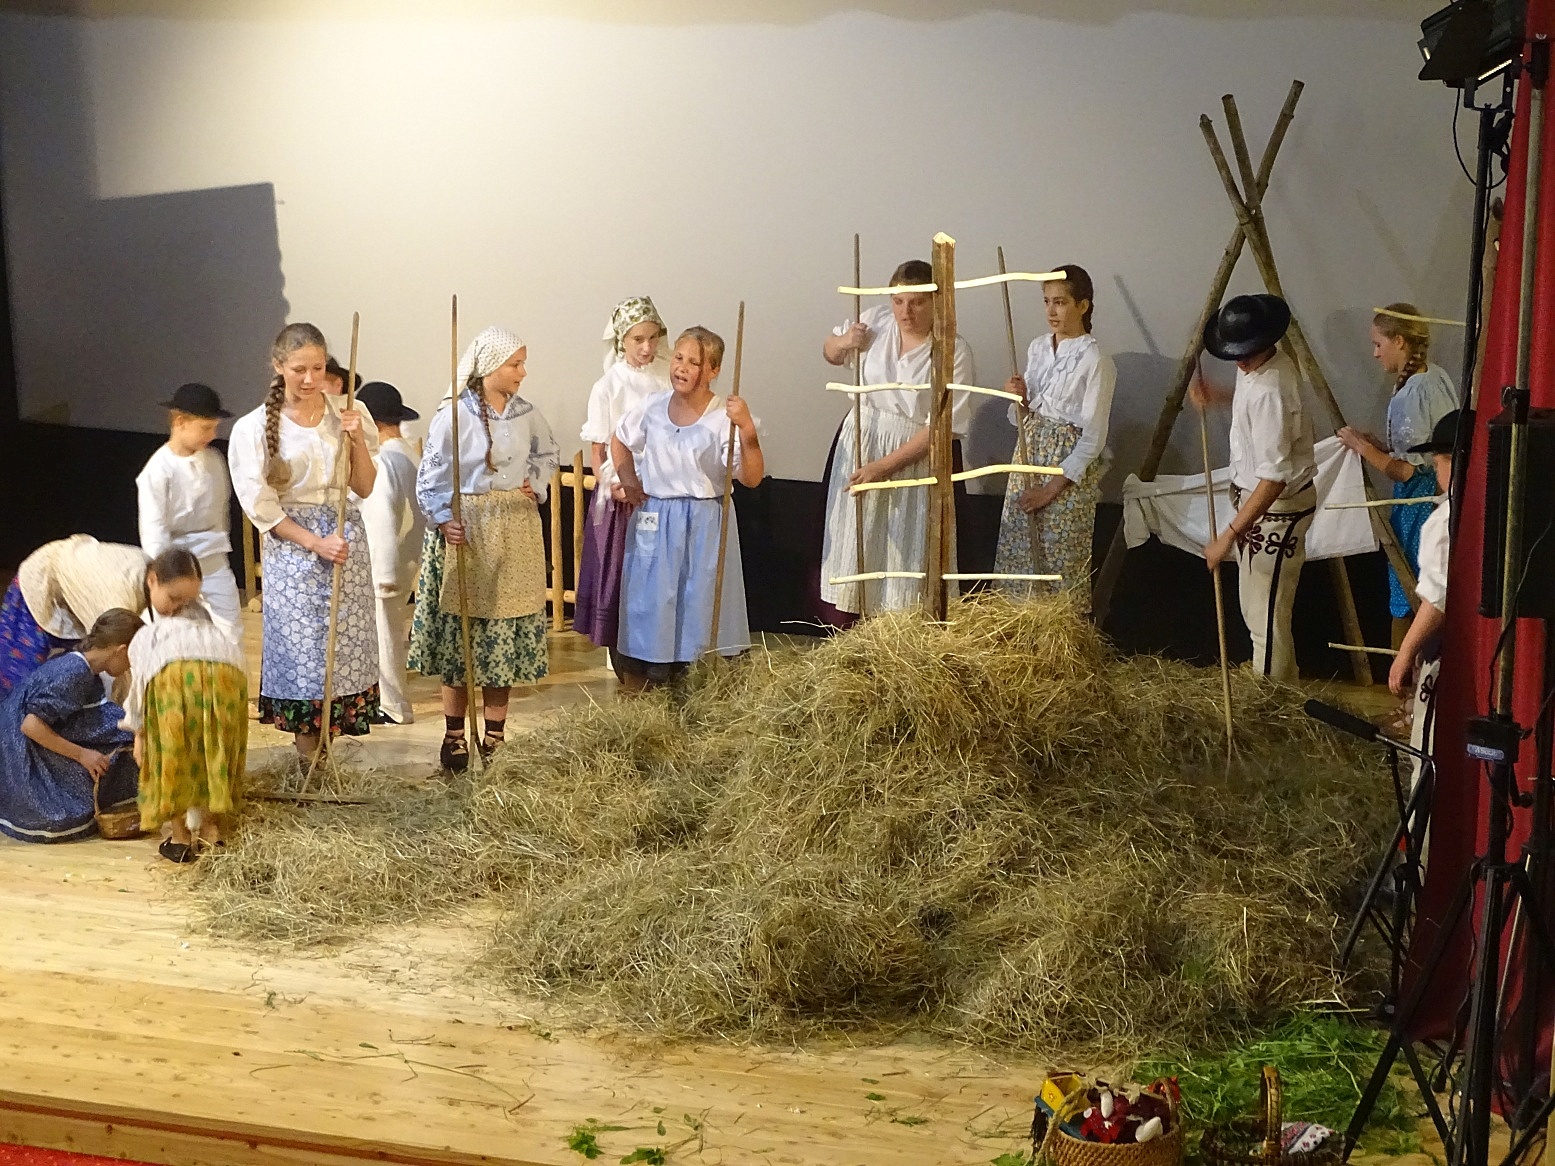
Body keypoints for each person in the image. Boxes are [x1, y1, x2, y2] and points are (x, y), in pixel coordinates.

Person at [228, 322, 380, 757]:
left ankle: (326, 755)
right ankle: (309, 761)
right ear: (278, 366)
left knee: (343, 650)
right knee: (306, 655)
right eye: (299, 369)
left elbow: (364, 486)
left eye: (318, 368)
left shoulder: (349, 412)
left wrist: (357, 440)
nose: (310, 379)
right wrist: (315, 543)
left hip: (345, 541)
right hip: (295, 551)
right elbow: (262, 508)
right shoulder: (254, 428)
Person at [410, 326, 558, 771]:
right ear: (490, 367)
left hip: (514, 528)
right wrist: (443, 518)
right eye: (515, 364)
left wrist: (536, 482)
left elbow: (547, 453)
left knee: (502, 636)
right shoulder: (455, 416)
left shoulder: (527, 413)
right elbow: (431, 475)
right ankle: (455, 735)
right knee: (463, 637)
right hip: (469, 529)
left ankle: (495, 735)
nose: (522, 373)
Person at [818, 260, 974, 619]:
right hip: (863, 438)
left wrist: (884, 468)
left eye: (917, 302)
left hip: (911, 456)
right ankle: (854, 630)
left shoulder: (953, 350)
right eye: (899, 301)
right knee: (858, 538)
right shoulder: (875, 321)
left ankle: (899, 632)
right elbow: (830, 351)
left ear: (936, 302)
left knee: (903, 547)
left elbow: (941, 428)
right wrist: (844, 342)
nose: (906, 312)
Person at [611, 326, 763, 691]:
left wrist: (747, 431)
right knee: (652, 604)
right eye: (678, 358)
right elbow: (620, 439)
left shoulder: (722, 417)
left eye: (693, 362)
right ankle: (649, 683)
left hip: (703, 523)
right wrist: (630, 482)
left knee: (699, 604)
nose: (681, 367)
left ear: (713, 370)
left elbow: (752, 478)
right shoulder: (653, 407)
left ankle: (696, 685)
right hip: (657, 519)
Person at [1193, 294, 1317, 683]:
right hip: (1258, 505)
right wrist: (1220, 396)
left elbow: (1274, 477)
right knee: (1257, 609)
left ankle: (1270, 697)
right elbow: (1256, 410)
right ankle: (1280, 684)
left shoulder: (1271, 389)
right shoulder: (1260, 369)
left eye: (1246, 351)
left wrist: (1228, 535)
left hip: (1277, 510)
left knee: (1267, 614)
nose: (1240, 360)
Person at [992, 264, 1116, 610]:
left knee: (1056, 556)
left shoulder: (1096, 360)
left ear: (1082, 305)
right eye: (1046, 301)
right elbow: (1022, 418)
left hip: (1064, 470)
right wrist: (1018, 398)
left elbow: (1093, 437)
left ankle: (1053, 636)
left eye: (1060, 302)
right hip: (1029, 455)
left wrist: (1051, 488)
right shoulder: (1038, 348)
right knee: (1019, 548)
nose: (1051, 311)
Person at [1337, 304, 1458, 641]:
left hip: (1419, 505)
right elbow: (1417, 450)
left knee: (1410, 593)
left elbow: (1408, 472)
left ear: (1400, 341)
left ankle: (1405, 663)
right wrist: (1379, 445)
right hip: (1436, 496)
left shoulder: (1414, 392)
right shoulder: (1435, 376)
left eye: (1379, 344)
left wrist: (1362, 448)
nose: (1375, 353)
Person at [575, 296, 670, 659]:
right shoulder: (608, 386)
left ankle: (657, 653)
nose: (647, 348)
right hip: (623, 494)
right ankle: (622, 656)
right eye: (638, 340)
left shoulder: (666, 379)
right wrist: (612, 485)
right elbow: (598, 451)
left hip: (660, 490)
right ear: (621, 340)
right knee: (622, 574)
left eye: (652, 338)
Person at [0, 608, 141, 843]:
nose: (130, 666)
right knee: (71, 811)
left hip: (23, 740)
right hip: (20, 754)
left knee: (123, 738)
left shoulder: (81, 665)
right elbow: (31, 725)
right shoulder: (75, 672)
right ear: (121, 650)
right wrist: (82, 755)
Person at [122, 603, 247, 862]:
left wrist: (139, 733)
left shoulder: (152, 634)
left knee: (171, 752)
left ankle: (180, 838)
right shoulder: (220, 636)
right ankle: (211, 831)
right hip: (229, 676)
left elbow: (139, 690)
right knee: (215, 750)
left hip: (175, 676)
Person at [0, 540, 203, 697]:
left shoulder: (151, 572)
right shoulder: (117, 596)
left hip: (75, 597)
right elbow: (116, 664)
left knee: (68, 684)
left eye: (186, 602)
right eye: (174, 598)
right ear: (153, 580)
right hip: (41, 584)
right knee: (18, 686)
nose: (178, 609)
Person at [136, 381, 242, 644]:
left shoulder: (214, 460)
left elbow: (221, 512)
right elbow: (153, 531)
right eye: (205, 428)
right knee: (169, 631)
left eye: (215, 428)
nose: (212, 435)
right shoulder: (158, 470)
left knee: (229, 631)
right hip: (176, 565)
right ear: (180, 422)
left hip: (213, 561)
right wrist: (167, 576)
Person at [357, 381, 425, 726]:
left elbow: (383, 517)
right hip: (405, 556)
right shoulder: (408, 453)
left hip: (386, 559)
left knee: (384, 635)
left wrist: (383, 573)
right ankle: (384, 700)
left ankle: (392, 704)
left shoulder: (384, 461)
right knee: (388, 632)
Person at [1390, 410, 1460, 701]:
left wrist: (1406, 652)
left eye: (1437, 462)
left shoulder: (1446, 519)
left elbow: (1437, 597)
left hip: (1452, 642)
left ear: (1453, 462)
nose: (1435, 471)